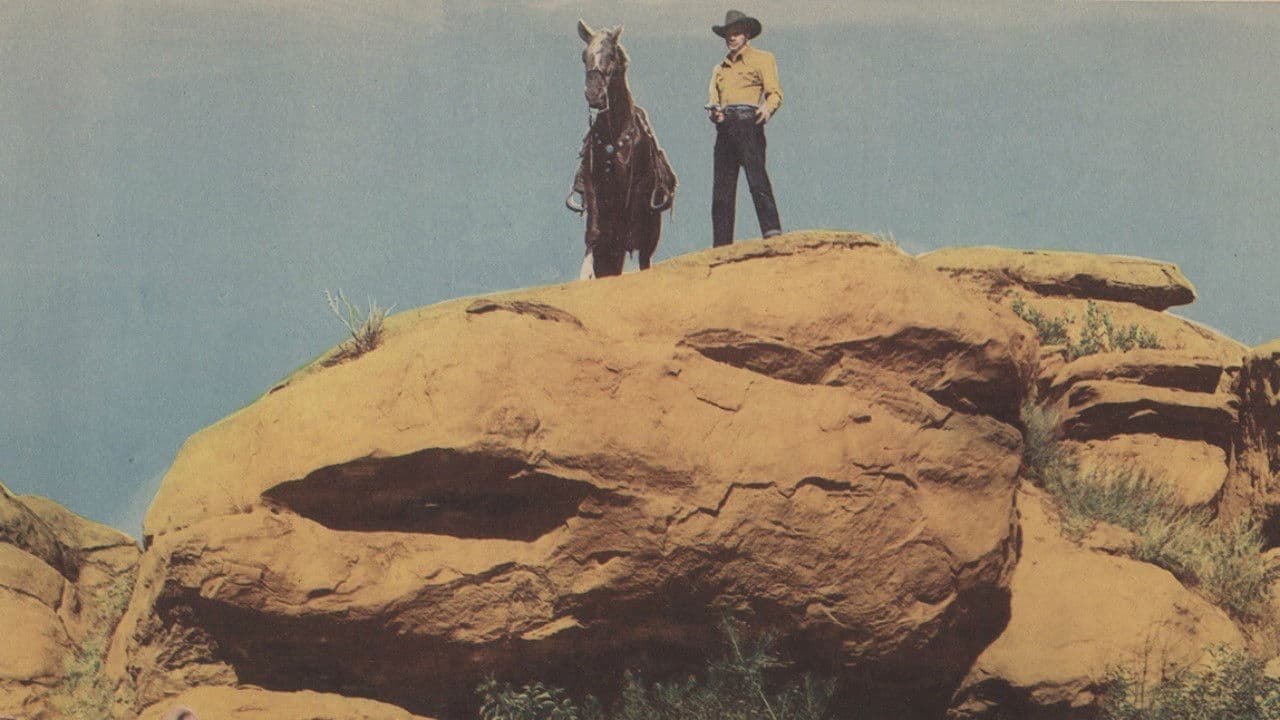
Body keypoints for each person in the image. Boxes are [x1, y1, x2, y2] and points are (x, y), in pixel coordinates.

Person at [707, 10, 783, 247]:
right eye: (728, 34)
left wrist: (767, 109)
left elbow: (775, 92)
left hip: (749, 122)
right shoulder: (719, 69)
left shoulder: (762, 58)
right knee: (722, 190)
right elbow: (713, 100)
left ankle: (772, 232)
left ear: (746, 34)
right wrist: (716, 114)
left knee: (757, 179)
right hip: (726, 127)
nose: (731, 38)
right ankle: (721, 245)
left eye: (736, 33)